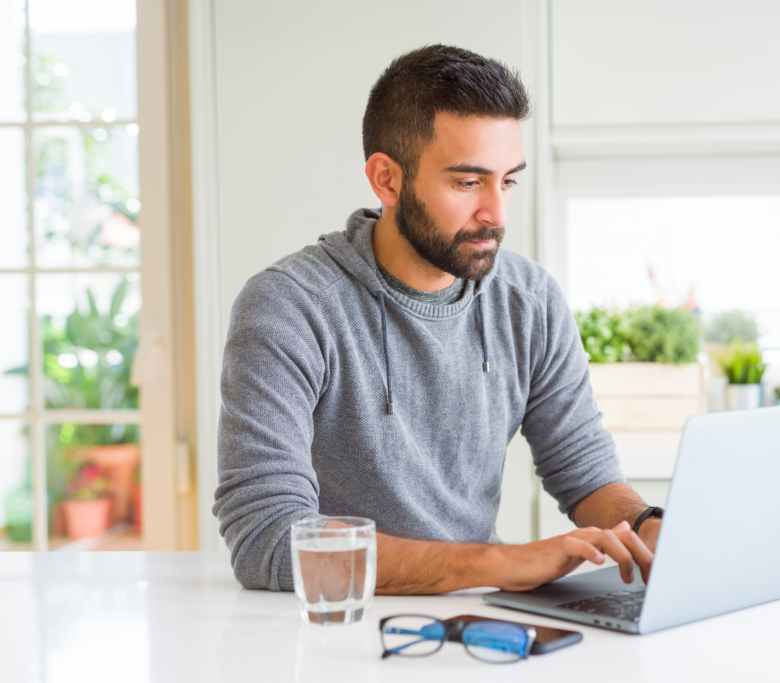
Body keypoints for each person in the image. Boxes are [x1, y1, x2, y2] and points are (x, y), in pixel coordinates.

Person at [213, 44, 661, 594]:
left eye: (508, 181)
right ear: (387, 180)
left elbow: (584, 470)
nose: (496, 214)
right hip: (334, 627)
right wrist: (497, 564)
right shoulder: (290, 306)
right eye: (468, 182)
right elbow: (268, 538)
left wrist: (647, 525)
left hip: (477, 623)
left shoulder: (530, 299)